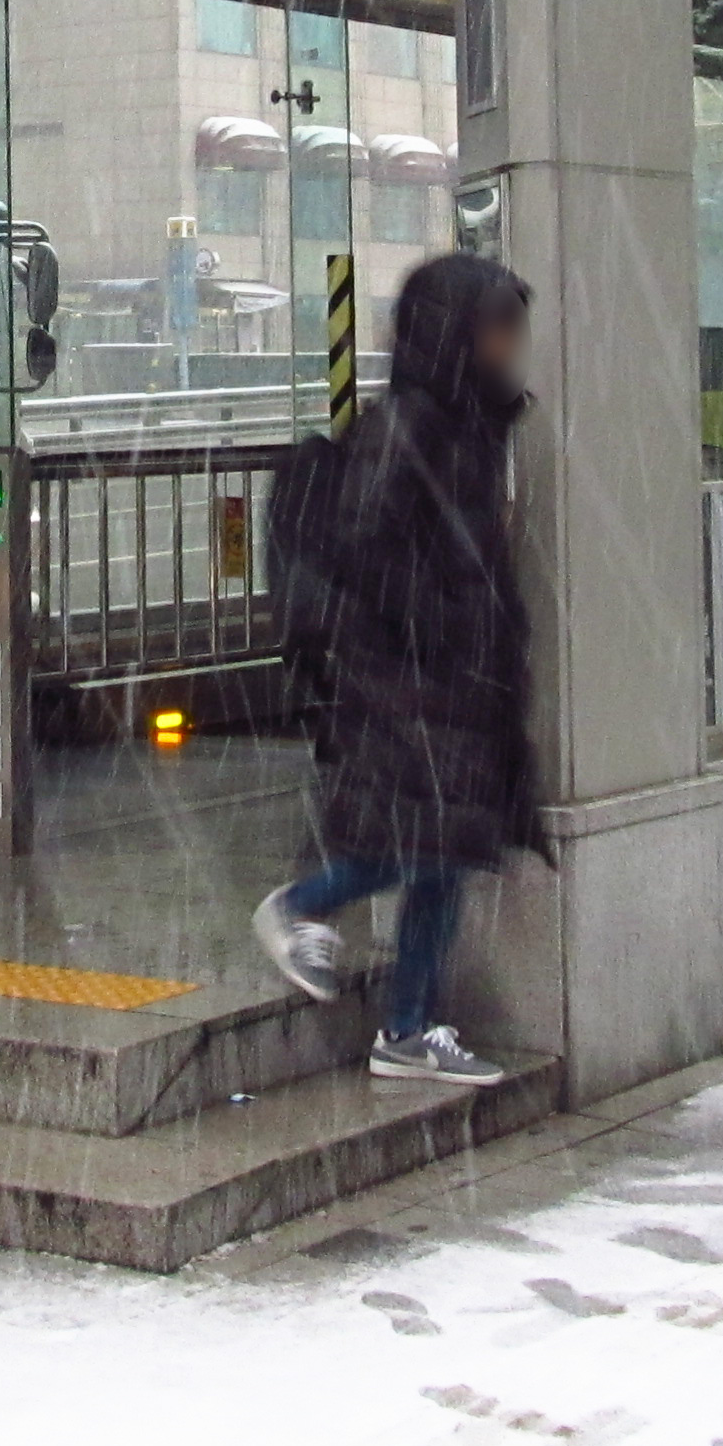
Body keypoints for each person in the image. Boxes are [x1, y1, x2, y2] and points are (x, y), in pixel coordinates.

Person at [250, 250, 546, 1086]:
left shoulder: (470, 426)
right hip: (409, 681)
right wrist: (440, 627)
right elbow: (369, 550)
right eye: (496, 327)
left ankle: (408, 1029)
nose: (508, 346)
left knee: (445, 852)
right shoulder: (413, 427)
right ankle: (299, 906)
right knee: (422, 837)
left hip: (450, 681)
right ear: (455, 332)